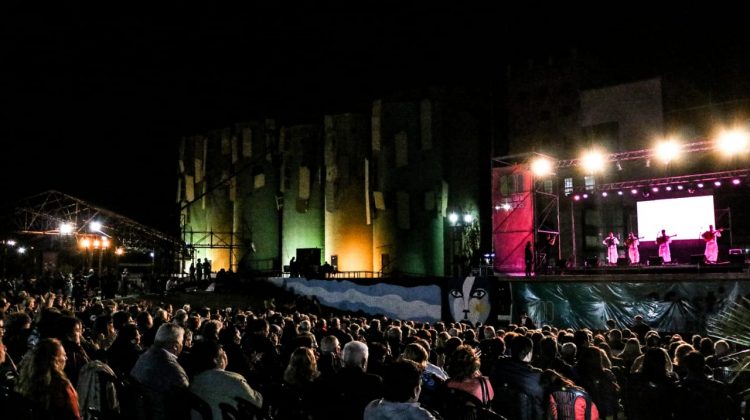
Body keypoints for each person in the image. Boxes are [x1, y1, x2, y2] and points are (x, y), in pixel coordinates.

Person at [15, 338, 81, 420]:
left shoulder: (26, 383)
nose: (66, 358)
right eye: (64, 355)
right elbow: (74, 415)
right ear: (55, 361)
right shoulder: (62, 387)